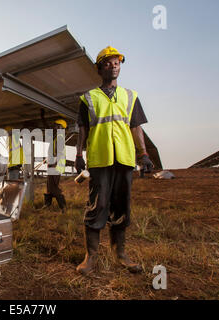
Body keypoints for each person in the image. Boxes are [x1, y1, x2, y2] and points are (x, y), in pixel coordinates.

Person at [74, 46, 154, 274]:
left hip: (125, 159)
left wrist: (144, 154)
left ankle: (121, 255)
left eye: (117, 62)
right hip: (99, 160)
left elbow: (136, 126)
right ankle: (91, 257)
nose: (114, 66)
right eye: (108, 63)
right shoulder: (88, 97)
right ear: (99, 68)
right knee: (97, 205)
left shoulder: (130, 96)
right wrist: (78, 154)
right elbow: (82, 128)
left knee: (122, 206)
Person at [41, 110, 67, 213]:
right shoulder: (56, 137)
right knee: (49, 186)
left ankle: (63, 207)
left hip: (56, 166)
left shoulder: (60, 138)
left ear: (60, 128)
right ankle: (47, 205)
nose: (54, 127)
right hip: (52, 165)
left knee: (54, 187)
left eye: (56, 126)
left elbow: (58, 154)